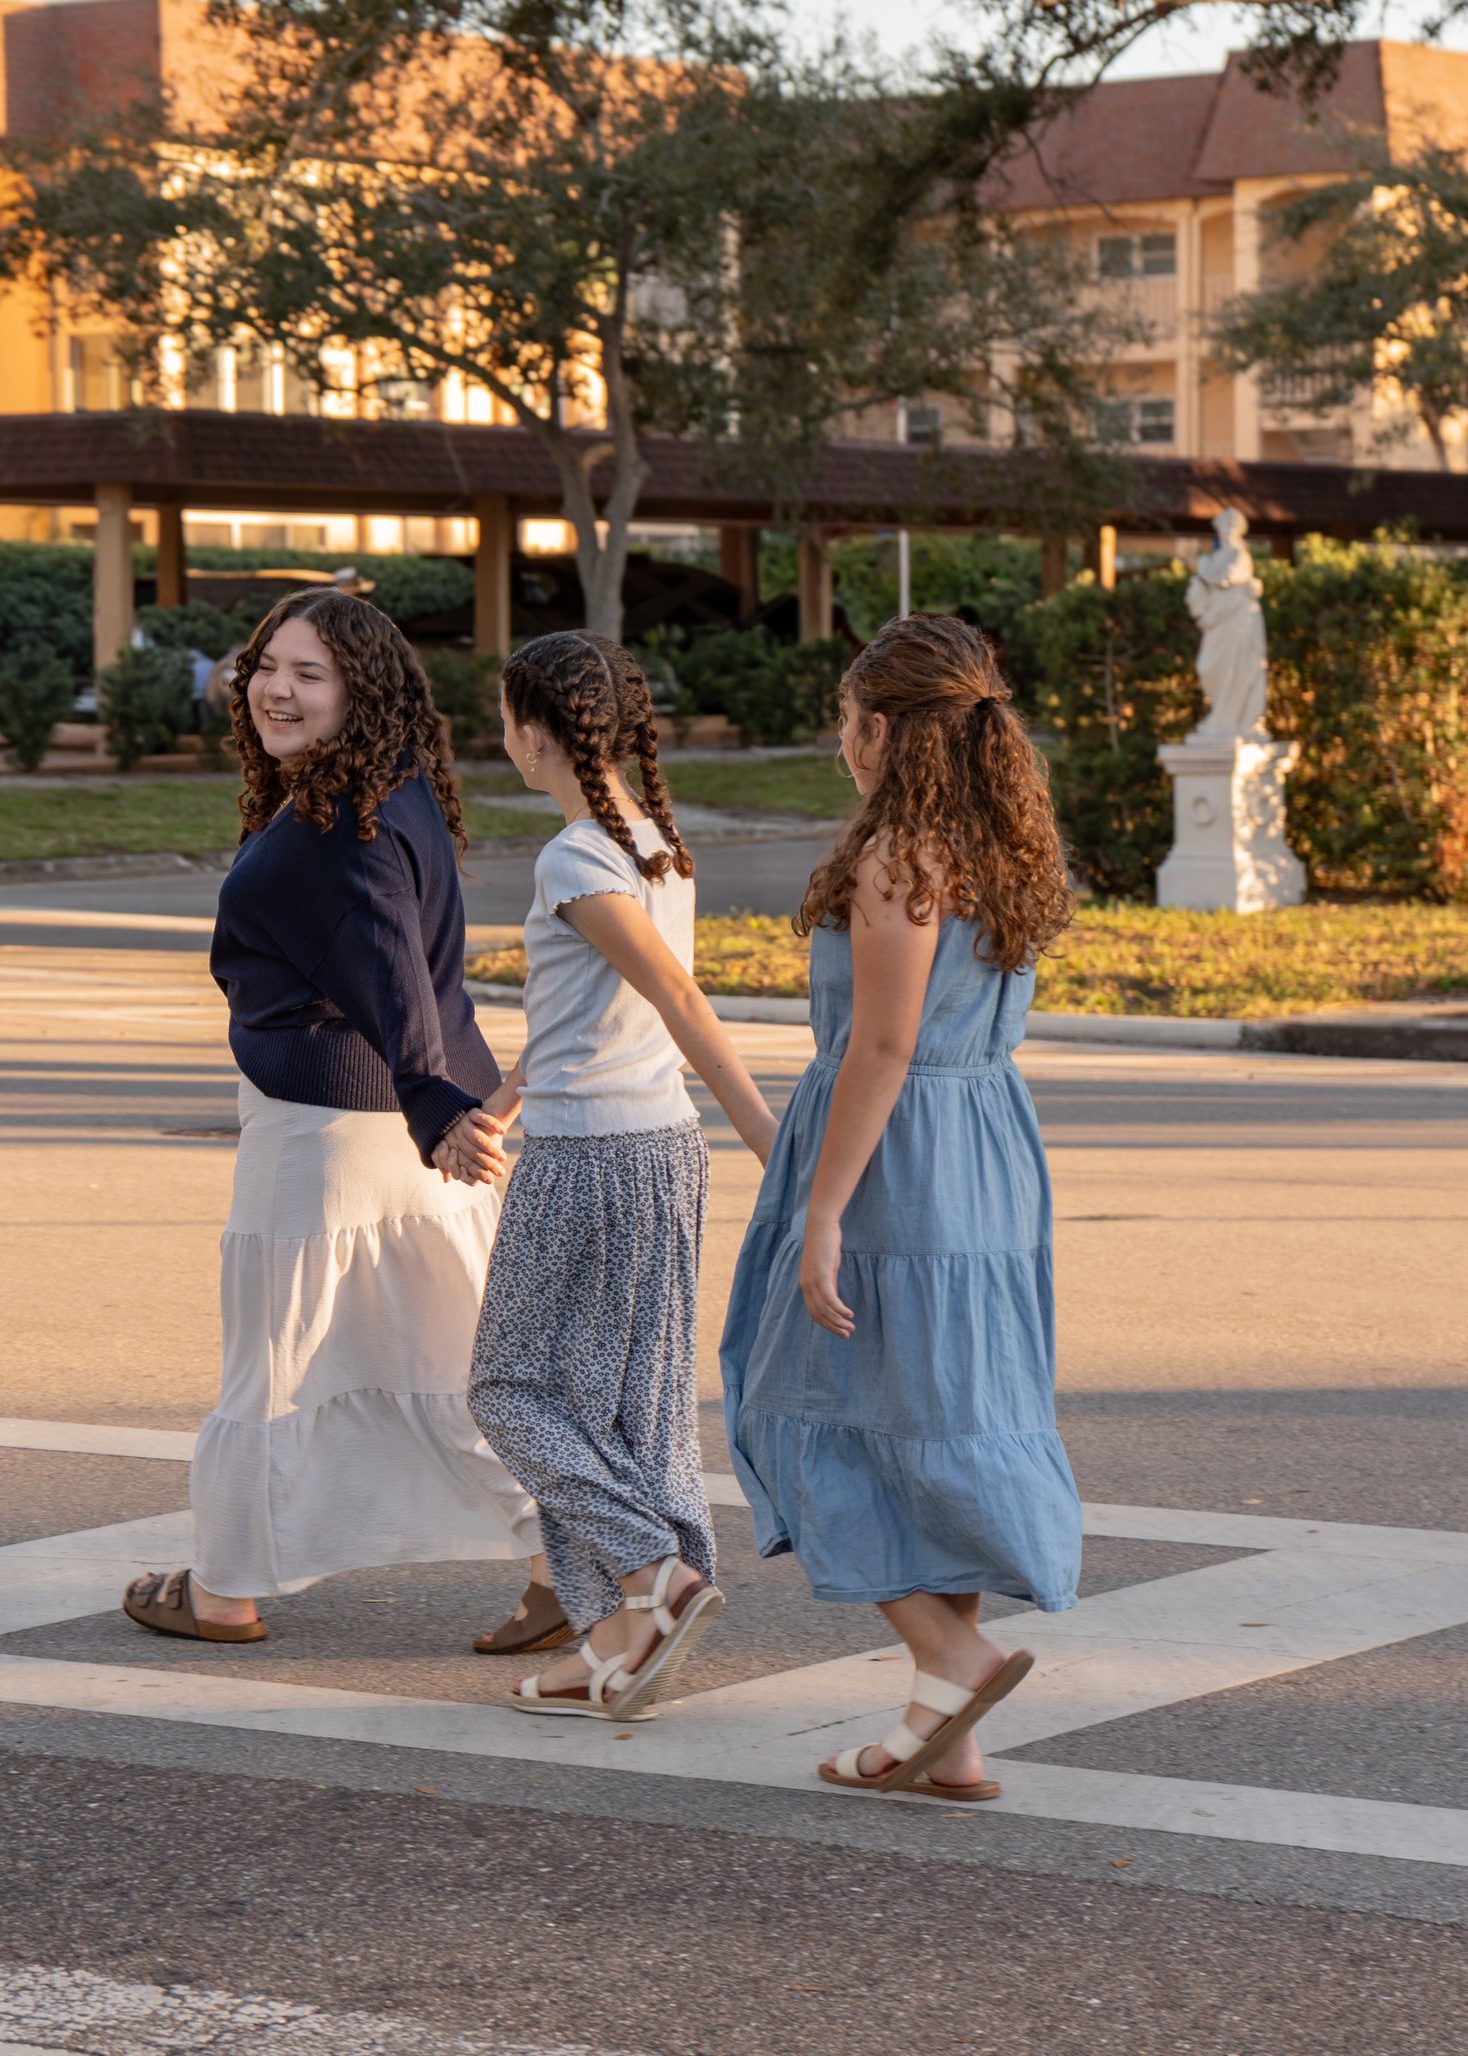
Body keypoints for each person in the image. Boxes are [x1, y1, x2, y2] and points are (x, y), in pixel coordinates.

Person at [121, 589, 538, 1645]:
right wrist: (439, 1104)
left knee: (280, 1357)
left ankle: (221, 1587)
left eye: (310, 675)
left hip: (335, 1133)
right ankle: (582, 1563)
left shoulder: (331, 826)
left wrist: (431, 1101)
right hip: (412, 1127)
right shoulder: (390, 793)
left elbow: (391, 969)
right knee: (448, 1365)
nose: (277, 689)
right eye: (269, 665)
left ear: (362, 694)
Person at [718, 613, 1083, 1799]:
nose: (840, 739)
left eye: (843, 717)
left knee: (793, 1404)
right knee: (934, 1422)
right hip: (981, 1154)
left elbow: (880, 1046)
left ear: (878, 727)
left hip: (895, 1157)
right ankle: (945, 1731)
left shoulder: (901, 857)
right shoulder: (1001, 850)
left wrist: (820, 1211)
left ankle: (949, 1652)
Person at [456, 632, 781, 1721]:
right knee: (619, 1411)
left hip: (592, 1158)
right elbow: (580, 1020)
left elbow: (682, 1004)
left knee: (508, 1390)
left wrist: (770, 1140)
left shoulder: (574, 856)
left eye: (505, 716)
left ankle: (653, 1570)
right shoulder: (652, 845)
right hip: (654, 1151)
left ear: (534, 733)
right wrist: (492, 1109)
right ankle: (612, 1642)